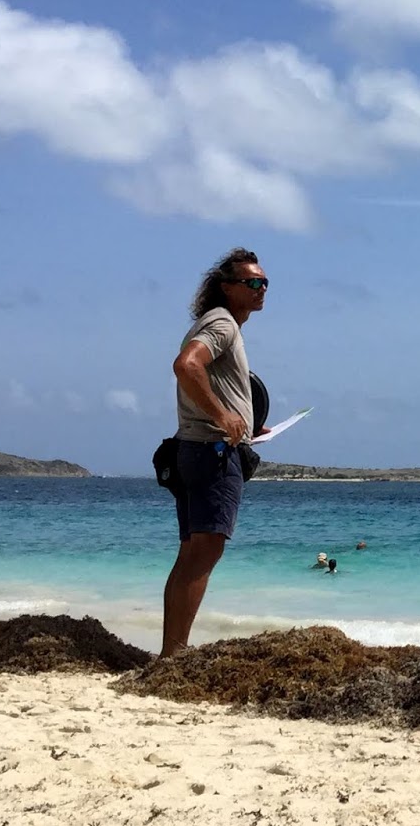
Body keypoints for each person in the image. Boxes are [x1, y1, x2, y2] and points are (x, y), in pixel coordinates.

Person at [161, 247, 268, 659]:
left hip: (200, 449)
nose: (261, 289)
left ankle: (171, 652)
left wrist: (247, 423)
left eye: (264, 283)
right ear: (227, 288)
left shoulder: (222, 325)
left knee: (192, 554)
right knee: (202, 555)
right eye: (252, 282)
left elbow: (210, 379)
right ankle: (174, 655)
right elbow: (187, 365)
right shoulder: (222, 323)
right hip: (213, 453)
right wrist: (224, 417)